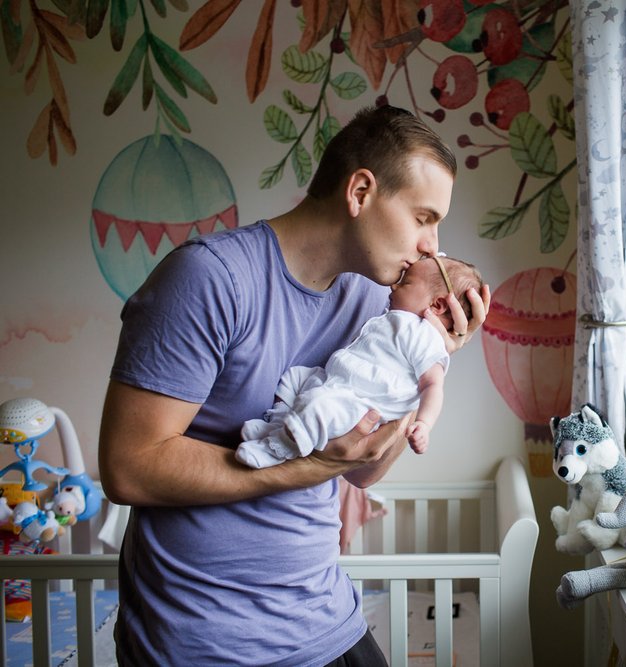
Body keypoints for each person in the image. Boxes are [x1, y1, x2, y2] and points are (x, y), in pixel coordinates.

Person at [98, 105, 490, 667]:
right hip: (205, 644)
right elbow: (128, 466)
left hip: (326, 620)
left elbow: (363, 468)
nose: (433, 245)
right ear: (360, 191)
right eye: (424, 217)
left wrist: (422, 365)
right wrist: (306, 468)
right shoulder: (210, 280)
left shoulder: (373, 303)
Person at [237, 255, 483, 468]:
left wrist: (423, 424)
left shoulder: (425, 336)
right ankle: (279, 425)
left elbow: (432, 385)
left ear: (437, 304)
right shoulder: (392, 317)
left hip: (360, 403)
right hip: (334, 380)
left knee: (319, 406)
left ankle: (277, 450)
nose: (394, 288)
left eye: (405, 283)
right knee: (294, 378)